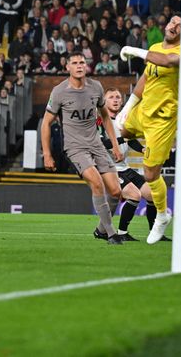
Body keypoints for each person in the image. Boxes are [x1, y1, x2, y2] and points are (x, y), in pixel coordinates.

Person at [41, 52, 126, 245]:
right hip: (74, 147)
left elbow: (105, 116)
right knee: (97, 184)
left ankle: (101, 230)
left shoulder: (96, 87)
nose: (79, 66)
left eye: (82, 62)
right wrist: (47, 154)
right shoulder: (59, 91)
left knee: (115, 192)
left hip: (96, 144)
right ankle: (112, 234)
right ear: (67, 67)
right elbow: (46, 123)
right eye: (75, 63)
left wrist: (115, 144)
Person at [117, 15, 181, 244]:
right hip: (142, 111)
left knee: (150, 174)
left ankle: (162, 217)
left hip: (161, 120)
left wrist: (134, 50)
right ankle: (108, 179)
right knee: (116, 132)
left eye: (179, 25)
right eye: (172, 22)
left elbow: (167, 61)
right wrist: (127, 107)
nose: (173, 26)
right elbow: (145, 78)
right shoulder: (154, 47)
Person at [96, 88, 169, 242]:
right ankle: (122, 232)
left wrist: (143, 149)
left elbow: (131, 140)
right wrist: (121, 139)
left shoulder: (123, 120)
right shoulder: (99, 120)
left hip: (125, 167)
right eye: (111, 97)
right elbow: (100, 144)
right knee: (134, 195)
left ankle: (154, 232)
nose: (115, 100)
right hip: (111, 170)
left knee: (151, 194)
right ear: (104, 101)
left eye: (117, 97)